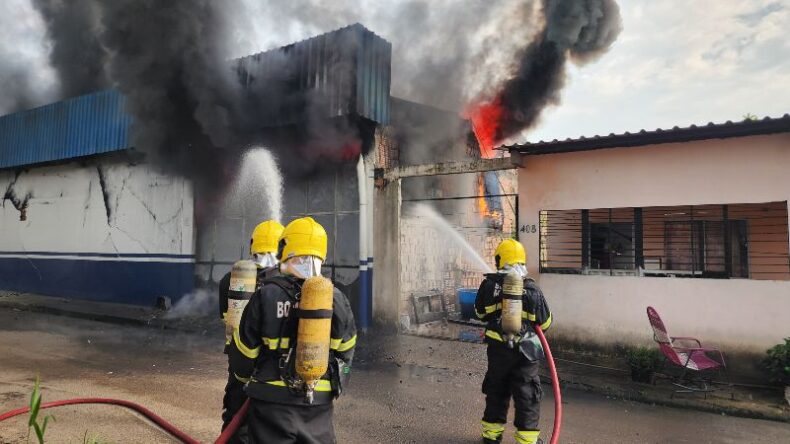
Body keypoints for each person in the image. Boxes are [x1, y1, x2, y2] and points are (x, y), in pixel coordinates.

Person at [230, 217, 357, 444]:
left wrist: (246, 381)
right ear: (323, 253)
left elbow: (245, 351)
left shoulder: (266, 294)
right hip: (317, 403)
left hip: (270, 402)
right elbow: (345, 353)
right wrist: (332, 387)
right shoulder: (336, 298)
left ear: (285, 249)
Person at [474, 239, 553, 444]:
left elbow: (480, 313)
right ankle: (527, 441)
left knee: (496, 389)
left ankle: (491, 436)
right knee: (527, 394)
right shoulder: (532, 290)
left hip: (498, 350)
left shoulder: (489, 285)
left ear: (500, 259)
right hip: (525, 354)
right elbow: (545, 323)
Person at [218, 220, 285, 443]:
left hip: (239, 360)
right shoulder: (284, 284)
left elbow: (226, 320)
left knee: (236, 415)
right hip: (273, 365)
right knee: (272, 420)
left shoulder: (230, 279)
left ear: (252, 245)